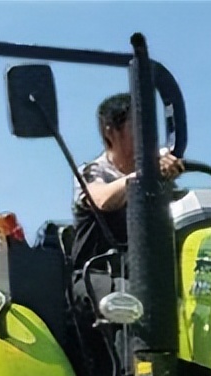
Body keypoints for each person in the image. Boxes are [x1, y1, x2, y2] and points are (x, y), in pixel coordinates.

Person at [71, 93, 183, 270]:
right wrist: (145, 174)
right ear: (111, 131)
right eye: (137, 127)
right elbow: (101, 200)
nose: (146, 135)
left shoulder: (155, 167)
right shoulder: (92, 171)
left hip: (150, 267)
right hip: (98, 273)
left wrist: (169, 173)